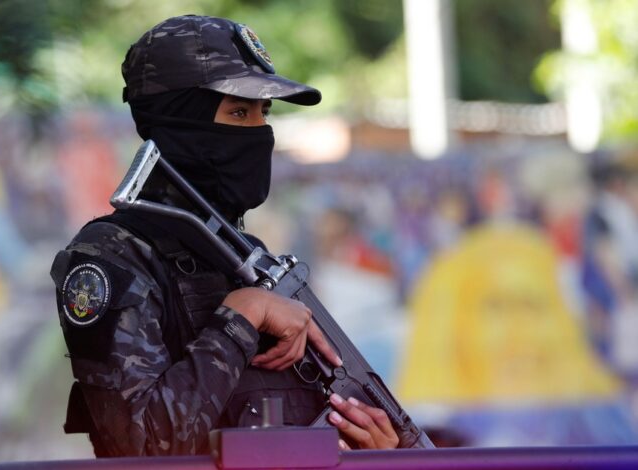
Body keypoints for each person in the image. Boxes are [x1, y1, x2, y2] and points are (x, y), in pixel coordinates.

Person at [51, 14, 399, 457]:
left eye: (263, 113)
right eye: (238, 112)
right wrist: (243, 315)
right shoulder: (111, 256)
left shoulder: (245, 257)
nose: (259, 132)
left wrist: (375, 455)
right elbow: (141, 446)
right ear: (180, 122)